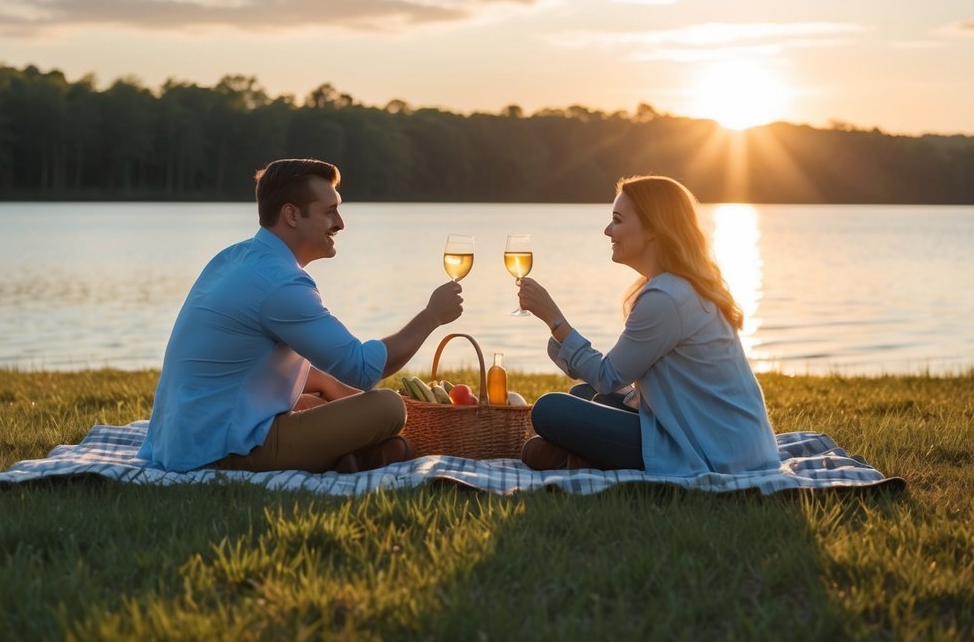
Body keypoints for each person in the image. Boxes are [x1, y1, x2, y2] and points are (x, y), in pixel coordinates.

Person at [137, 158, 464, 474]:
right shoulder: (280, 283)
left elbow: (246, 366)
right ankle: (356, 456)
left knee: (319, 400)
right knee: (389, 407)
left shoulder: (234, 258)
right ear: (292, 215)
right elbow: (362, 368)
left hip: (183, 437)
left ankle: (355, 457)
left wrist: (329, 387)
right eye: (330, 211)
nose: (340, 223)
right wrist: (432, 315)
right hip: (218, 451)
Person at [515, 175, 779, 475]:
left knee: (551, 410)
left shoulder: (666, 297)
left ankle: (578, 458)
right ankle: (578, 458)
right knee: (583, 396)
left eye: (617, 220)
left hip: (713, 451)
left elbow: (607, 376)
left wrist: (555, 320)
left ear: (653, 228)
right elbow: (613, 381)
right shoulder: (676, 287)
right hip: (733, 441)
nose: (607, 231)